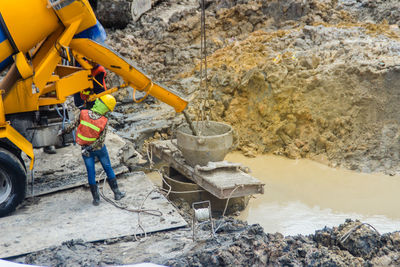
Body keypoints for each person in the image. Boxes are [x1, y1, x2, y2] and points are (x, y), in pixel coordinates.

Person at [59, 94, 125, 206]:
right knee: (108, 168)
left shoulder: (83, 113)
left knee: (91, 173)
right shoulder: (104, 121)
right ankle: (117, 193)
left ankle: (96, 199)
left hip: (86, 149)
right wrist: (92, 147)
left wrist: (63, 131)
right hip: (99, 149)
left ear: (98, 102)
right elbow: (101, 140)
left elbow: (72, 126)